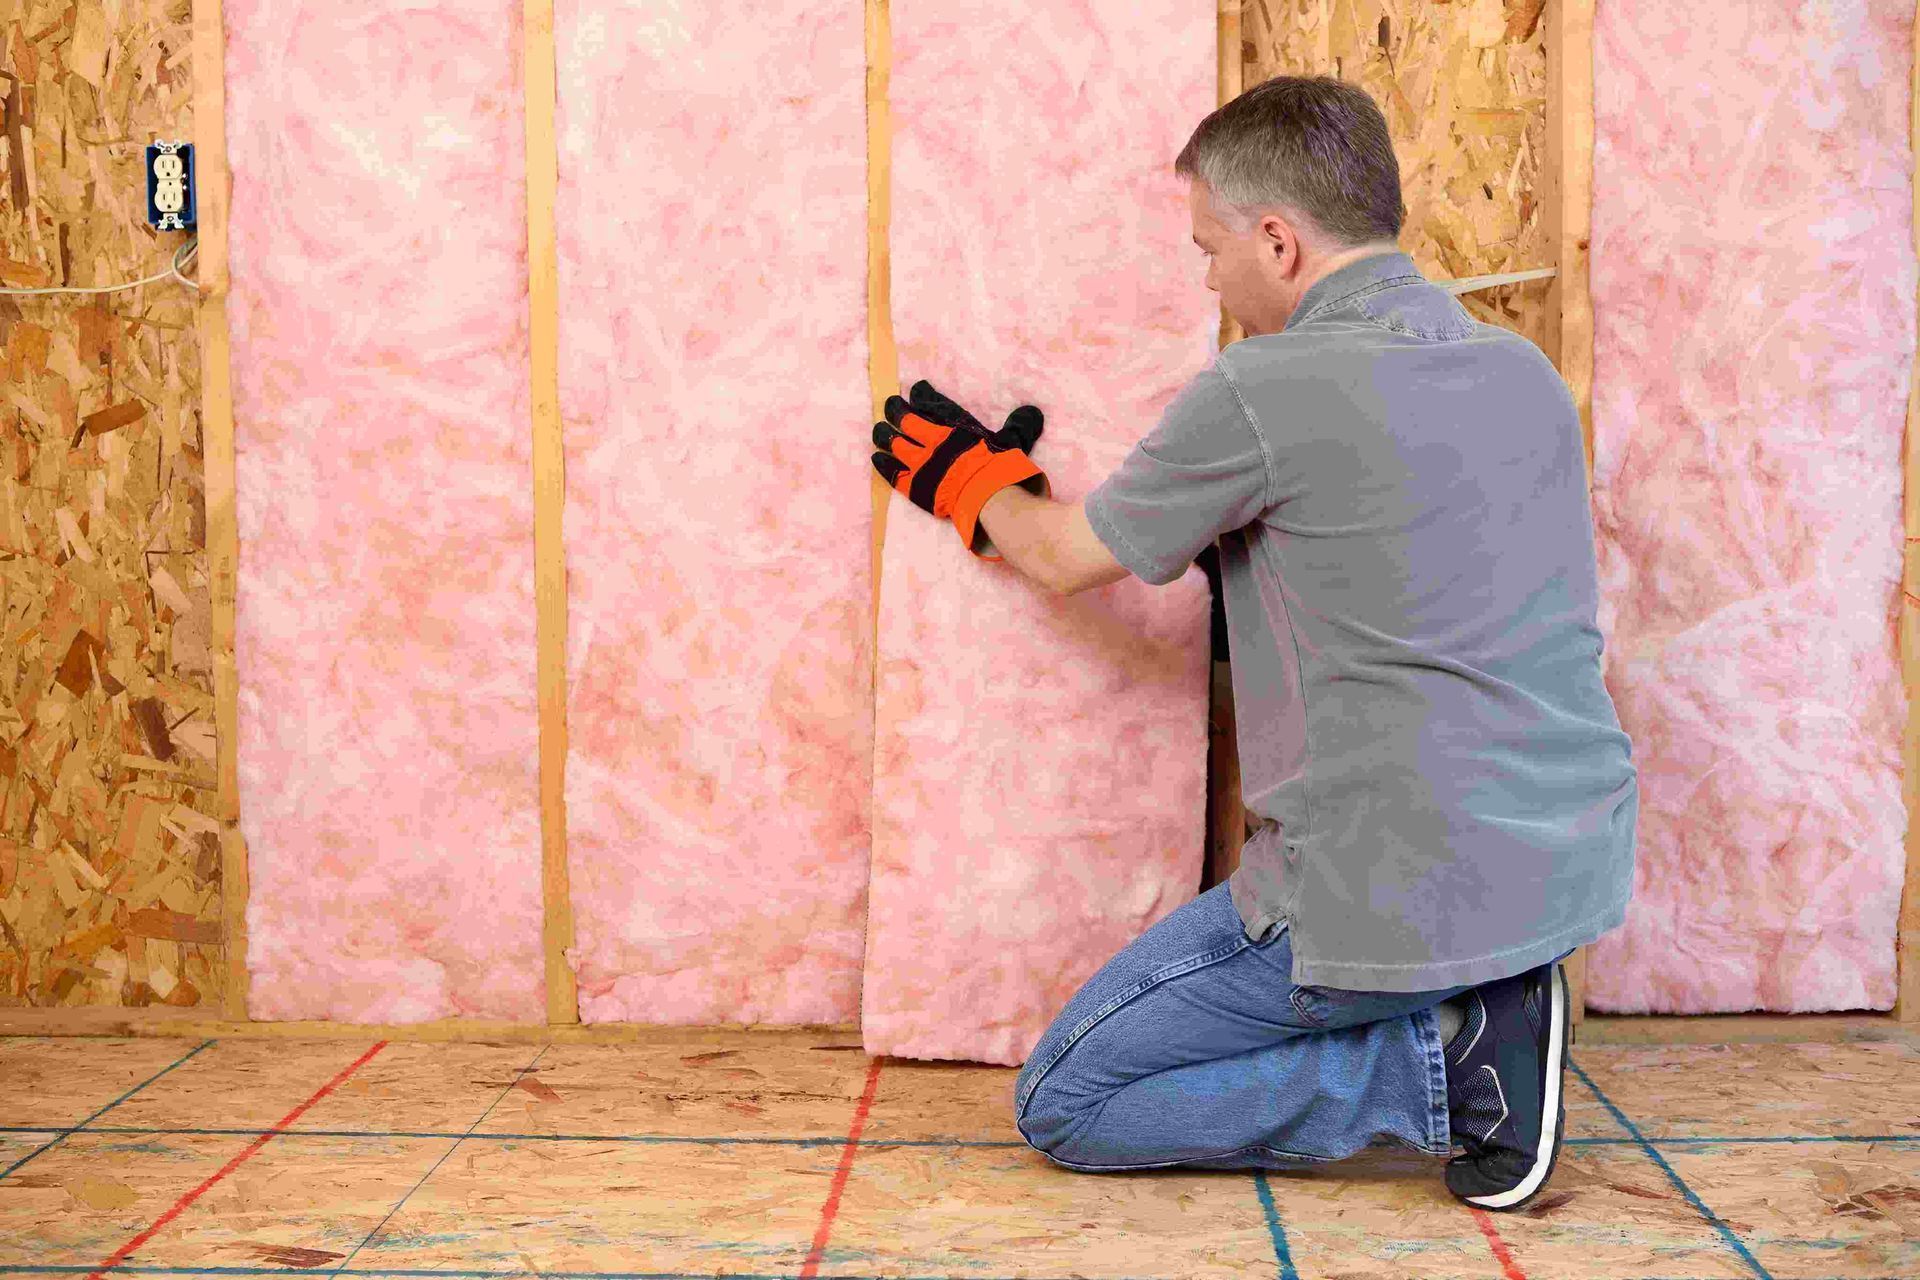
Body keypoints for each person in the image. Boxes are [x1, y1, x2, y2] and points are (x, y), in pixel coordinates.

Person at [866, 74, 1638, 1211]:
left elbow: (1068, 555)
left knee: (1067, 1099)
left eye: (1209, 248)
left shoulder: (1261, 389)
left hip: (1375, 895)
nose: (1209, 281)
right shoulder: (1524, 377)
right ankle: (1490, 1006)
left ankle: (1448, 1071)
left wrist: (971, 480)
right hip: (1557, 866)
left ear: (1278, 240)